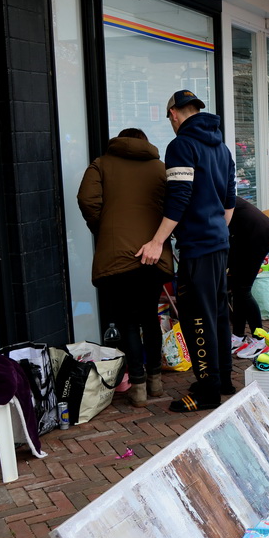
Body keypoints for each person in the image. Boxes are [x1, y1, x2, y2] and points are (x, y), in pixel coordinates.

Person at [137, 90, 236, 413]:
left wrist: (157, 241)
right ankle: (221, 380)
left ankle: (207, 392)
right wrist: (216, 230)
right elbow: (229, 202)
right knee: (218, 314)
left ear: (174, 114)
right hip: (219, 243)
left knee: (197, 318)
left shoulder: (181, 145)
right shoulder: (221, 147)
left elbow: (179, 197)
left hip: (198, 247)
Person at [77, 128, 173, 408]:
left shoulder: (101, 164)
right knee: (149, 317)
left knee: (128, 320)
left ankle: (138, 387)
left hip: (117, 257)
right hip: (153, 254)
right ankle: (156, 381)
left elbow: (86, 199)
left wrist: (105, 229)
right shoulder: (160, 168)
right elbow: (174, 204)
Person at [227, 196, 269, 361]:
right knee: (237, 287)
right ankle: (238, 336)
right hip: (245, 235)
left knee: (243, 289)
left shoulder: (214, 194)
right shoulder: (214, 191)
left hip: (257, 235)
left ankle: (260, 339)